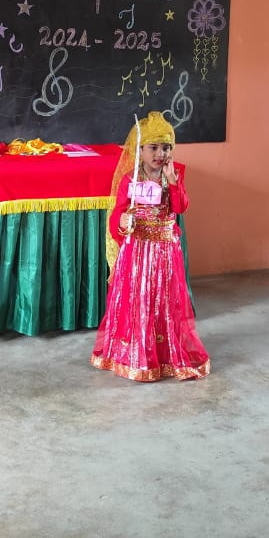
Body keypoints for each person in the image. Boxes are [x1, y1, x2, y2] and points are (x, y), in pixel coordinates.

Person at [90, 111, 210, 381]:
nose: (160, 153)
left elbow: (180, 208)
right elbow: (115, 219)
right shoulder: (129, 180)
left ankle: (165, 353)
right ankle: (136, 354)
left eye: (166, 147)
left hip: (165, 251)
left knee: (164, 302)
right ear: (139, 150)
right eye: (153, 147)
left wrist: (174, 183)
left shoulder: (173, 177)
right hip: (138, 250)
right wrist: (123, 219)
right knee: (139, 299)